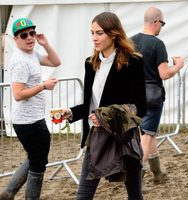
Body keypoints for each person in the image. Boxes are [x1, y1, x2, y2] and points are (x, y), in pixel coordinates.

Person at [62, 11, 146, 200]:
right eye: (92, 33)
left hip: (123, 136)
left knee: (134, 194)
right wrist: (70, 112)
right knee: (83, 195)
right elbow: (91, 104)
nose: (94, 38)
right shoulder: (90, 63)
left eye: (99, 33)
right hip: (97, 137)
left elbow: (140, 106)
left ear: (114, 33)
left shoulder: (133, 62)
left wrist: (106, 116)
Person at [0, 18, 61, 200]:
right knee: (38, 161)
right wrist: (43, 85)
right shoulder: (20, 61)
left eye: (32, 33)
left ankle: (8, 193)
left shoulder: (32, 54)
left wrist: (46, 44)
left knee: (35, 158)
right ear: (16, 39)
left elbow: (56, 62)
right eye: (24, 35)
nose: (29, 38)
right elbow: (18, 94)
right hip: (28, 121)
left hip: (33, 118)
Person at [130, 7, 184, 186]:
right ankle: (135, 172)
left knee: (147, 133)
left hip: (133, 95)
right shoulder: (157, 44)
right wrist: (178, 66)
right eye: (162, 23)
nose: (162, 27)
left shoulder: (130, 42)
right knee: (146, 137)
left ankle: (158, 173)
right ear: (156, 22)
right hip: (152, 96)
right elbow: (164, 74)